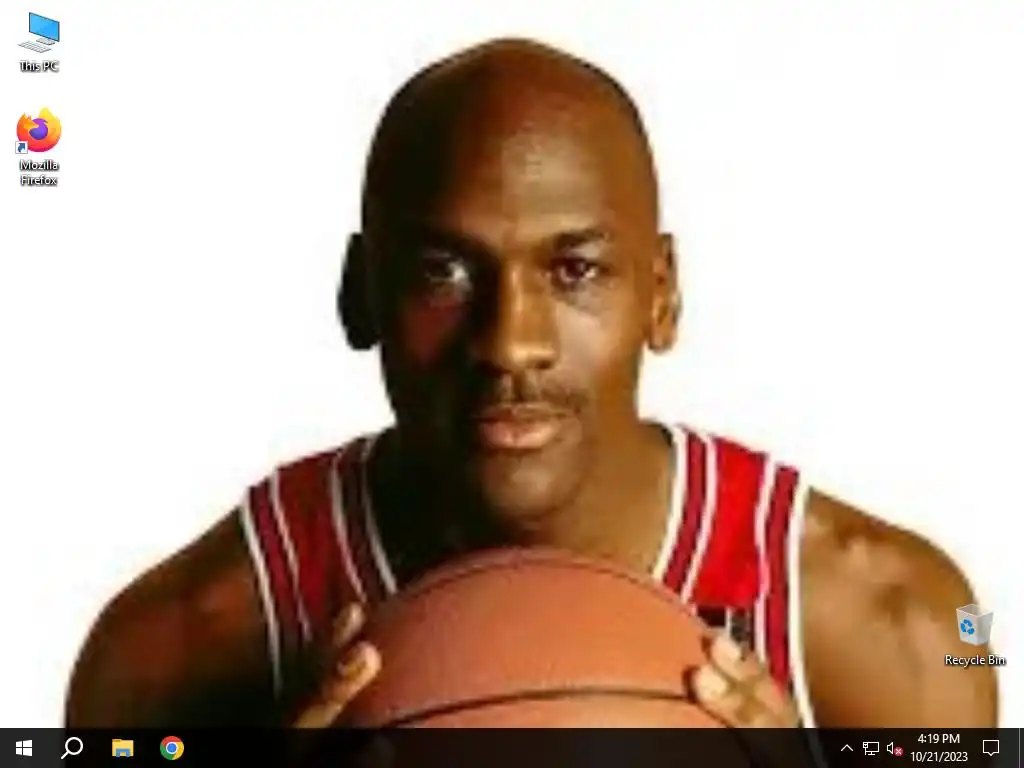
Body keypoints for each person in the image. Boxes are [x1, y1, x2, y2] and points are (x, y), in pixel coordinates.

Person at [65, 38, 997, 731]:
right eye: (443, 272)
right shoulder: (165, 658)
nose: (511, 343)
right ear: (359, 295)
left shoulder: (915, 625)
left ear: (663, 294)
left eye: (574, 271)